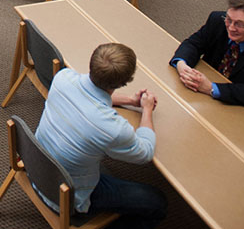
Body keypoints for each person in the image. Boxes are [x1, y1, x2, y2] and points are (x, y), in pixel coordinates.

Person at [35, 43, 166, 228]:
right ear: (124, 82)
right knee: (157, 202)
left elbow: (92, 96)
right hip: (68, 197)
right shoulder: (112, 128)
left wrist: (130, 101)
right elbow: (145, 152)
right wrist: (147, 110)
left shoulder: (62, 77)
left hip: (38, 170)